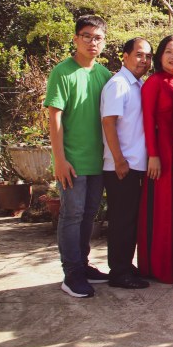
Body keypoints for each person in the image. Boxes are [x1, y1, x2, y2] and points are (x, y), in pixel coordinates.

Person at [45, 15, 112, 297]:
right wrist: (60, 160)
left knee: (88, 215)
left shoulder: (105, 75)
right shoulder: (62, 72)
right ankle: (71, 273)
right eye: (86, 36)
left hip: (98, 161)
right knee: (71, 215)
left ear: (104, 42)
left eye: (98, 38)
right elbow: (55, 118)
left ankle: (83, 265)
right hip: (72, 162)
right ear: (75, 39)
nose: (92, 42)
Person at [101, 37, 152, 290]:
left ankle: (125, 265)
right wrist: (119, 160)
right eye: (139, 55)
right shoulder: (118, 84)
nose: (144, 60)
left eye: (148, 56)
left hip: (135, 165)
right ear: (125, 56)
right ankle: (118, 272)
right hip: (121, 166)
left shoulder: (138, 84)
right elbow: (108, 122)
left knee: (131, 220)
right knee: (122, 221)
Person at [137, 35, 173, 284]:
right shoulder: (154, 82)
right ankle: (159, 266)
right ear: (159, 56)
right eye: (168, 51)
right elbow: (147, 121)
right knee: (163, 209)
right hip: (163, 153)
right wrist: (153, 155)